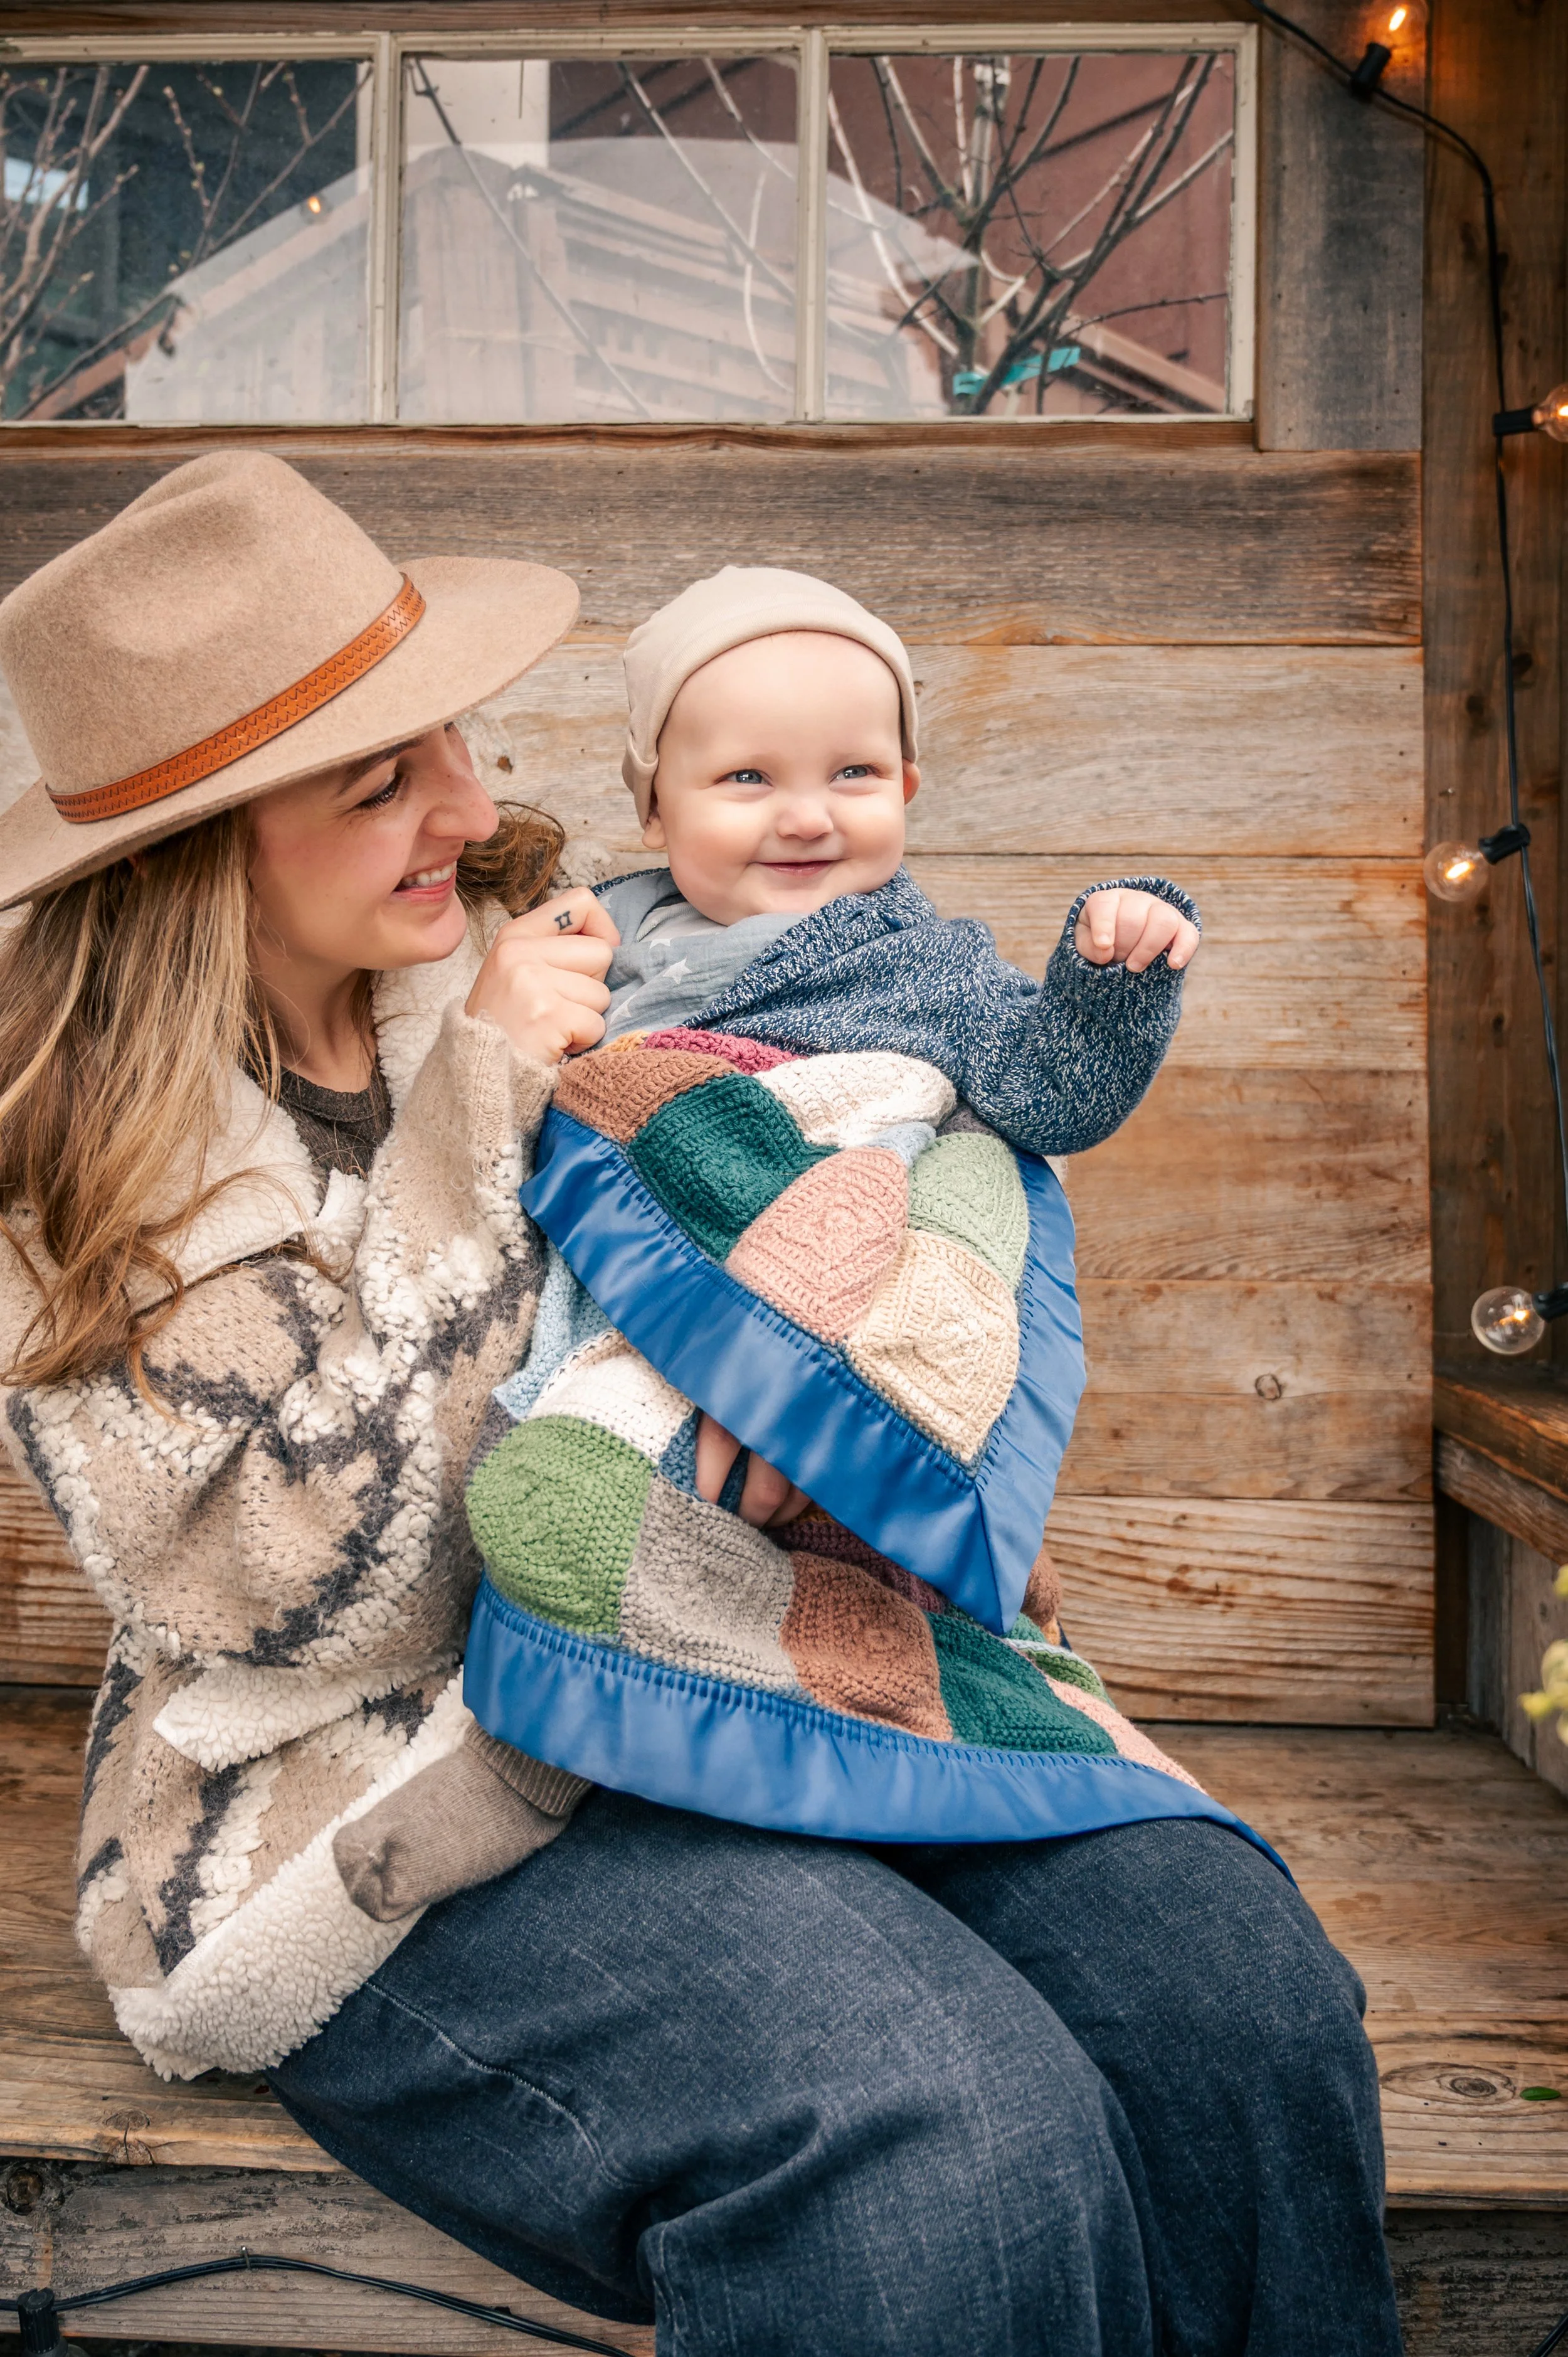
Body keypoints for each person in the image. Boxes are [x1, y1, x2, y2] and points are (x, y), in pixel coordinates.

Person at [0, 456, 1401, 2354]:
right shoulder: (91, 1171)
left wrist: (856, 1436)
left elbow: (858, 1190)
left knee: (1236, 2000)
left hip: (759, 1633)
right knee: (940, 2116)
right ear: (206, 844)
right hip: (380, 1766)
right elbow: (285, 1592)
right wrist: (475, 1111)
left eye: (457, 742)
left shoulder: (590, 959)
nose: (473, 807)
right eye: (380, 780)